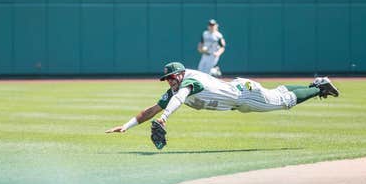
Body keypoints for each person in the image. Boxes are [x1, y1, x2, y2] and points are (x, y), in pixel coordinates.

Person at [105, 62, 339, 135]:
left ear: (179, 73)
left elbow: (179, 99)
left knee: (283, 101)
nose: (169, 81)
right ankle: (316, 84)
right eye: (166, 79)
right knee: (279, 93)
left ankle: (319, 87)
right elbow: (152, 109)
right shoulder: (177, 87)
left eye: (170, 77)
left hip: (245, 94)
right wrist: (126, 126)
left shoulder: (188, 81)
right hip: (239, 99)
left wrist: (166, 118)